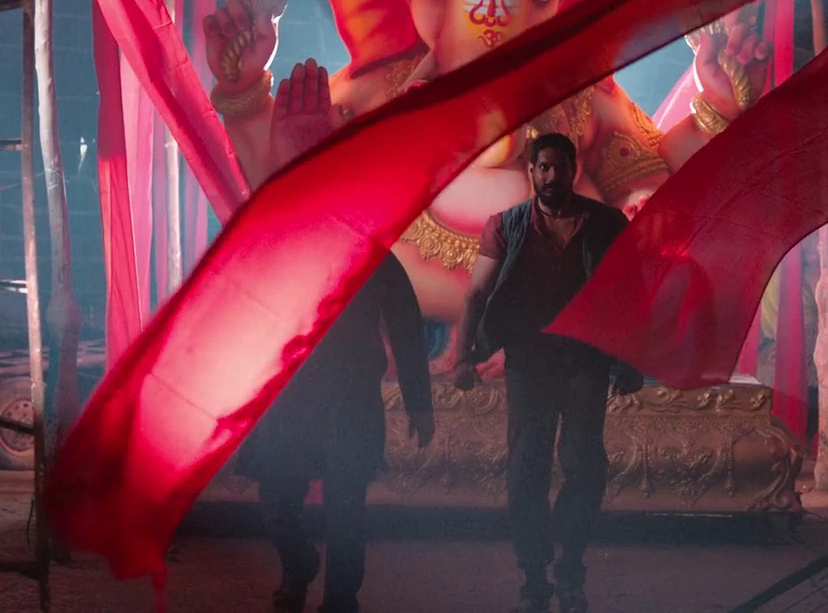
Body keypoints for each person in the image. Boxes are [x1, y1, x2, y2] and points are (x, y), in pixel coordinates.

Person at [450, 132, 644, 613]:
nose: (552, 175)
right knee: (526, 468)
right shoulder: (507, 225)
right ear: (532, 172)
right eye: (544, 167)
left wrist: (631, 360)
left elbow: (630, 294)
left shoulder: (606, 223)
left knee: (583, 464)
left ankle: (571, 567)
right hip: (529, 363)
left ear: (573, 170)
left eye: (560, 167)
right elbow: (477, 293)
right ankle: (534, 575)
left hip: (585, 361)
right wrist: (463, 356)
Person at [233, 252, 435, 613]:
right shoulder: (286, 250)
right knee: (277, 499)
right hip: (290, 393)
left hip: (351, 397)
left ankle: (340, 597)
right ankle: (299, 564)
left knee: (345, 505)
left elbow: (405, 325)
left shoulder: (374, 256)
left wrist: (419, 403)